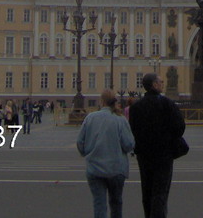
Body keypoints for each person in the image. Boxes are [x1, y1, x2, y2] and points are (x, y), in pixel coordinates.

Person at [129, 72, 186, 218]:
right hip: (164, 154)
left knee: (147, 189)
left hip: (144, 154)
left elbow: (132, 129)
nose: (163, 83)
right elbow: (179, 127)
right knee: (160, 192)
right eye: (160, 81)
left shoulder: (136, 107)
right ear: (154, 85)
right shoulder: (167, 104)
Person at [77, 90, 135, 218]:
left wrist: (88, 153)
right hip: (116, 169)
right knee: (116, 203)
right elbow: (129, 144)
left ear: (101, 102)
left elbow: (80, 143)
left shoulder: (90, 118)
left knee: (99, 204)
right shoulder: (120, 120)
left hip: (95, 169)